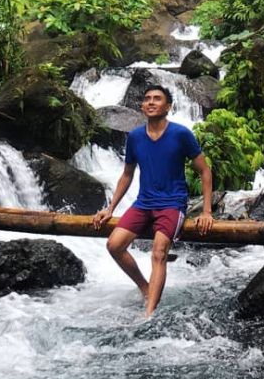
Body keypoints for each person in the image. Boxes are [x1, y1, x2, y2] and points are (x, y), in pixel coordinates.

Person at [92, 83, 214, 317]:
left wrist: (206, 212)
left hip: (172, 203)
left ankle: (148, 314)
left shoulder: (181, 134)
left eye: (157, 98)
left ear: (168, 106)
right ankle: (145, 288)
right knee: (114, 245)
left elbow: (205, 171)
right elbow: (127, 174)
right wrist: (110, 208)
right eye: (147, 98)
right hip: (143, 203)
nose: (150, 102)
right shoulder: (136, 137)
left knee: (158, 253)